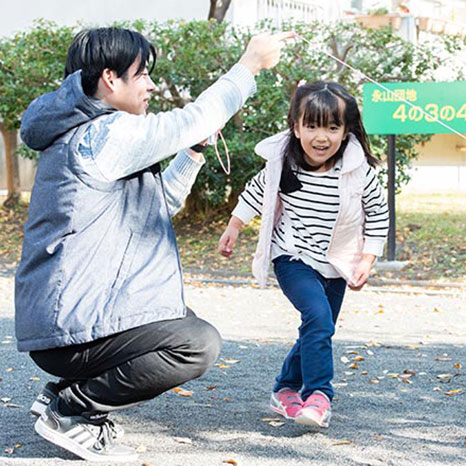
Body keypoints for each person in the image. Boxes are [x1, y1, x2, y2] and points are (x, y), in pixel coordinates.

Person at [15, 26, 293, 462]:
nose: (150, 85)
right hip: (70, 330)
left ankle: (68, 394)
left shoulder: (89, 133)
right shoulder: (106, 134)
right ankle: (71, 409)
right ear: (110, 79)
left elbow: (158, 204)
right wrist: (249, 64)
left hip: (65, 325)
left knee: (179, 322)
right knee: (195, 344)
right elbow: (194, 117)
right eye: (142, 74)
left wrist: (193, 152)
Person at [218, 81, 389, 428]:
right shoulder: (284, 165)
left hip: (337, 263)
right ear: (296, 127)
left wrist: (367, 260)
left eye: (332, 126)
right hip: (293, 256)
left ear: (346, 131)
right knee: (318, 319)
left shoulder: (359, 173)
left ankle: (284, 389)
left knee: (318, 326)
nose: (320, 136)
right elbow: (256, 192)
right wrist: (234, 226)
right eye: (311, 126)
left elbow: (378, 215)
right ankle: (319, 395)